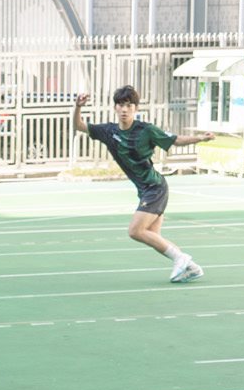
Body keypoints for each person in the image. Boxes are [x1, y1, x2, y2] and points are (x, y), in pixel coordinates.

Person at [73, 85, 214, 283]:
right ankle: (191, 267)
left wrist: (199, 138)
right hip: (145, 190)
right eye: (121, 105)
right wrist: (78, 106)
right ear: (115, 108)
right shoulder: (108, 131)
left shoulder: (146, 130)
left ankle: (182, 259)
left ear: (136, 109)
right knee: (154, 236)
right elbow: (79, 125)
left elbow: (175, 140)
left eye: (129, 105)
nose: (124, 109)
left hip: (155, 188)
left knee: (135, 231)